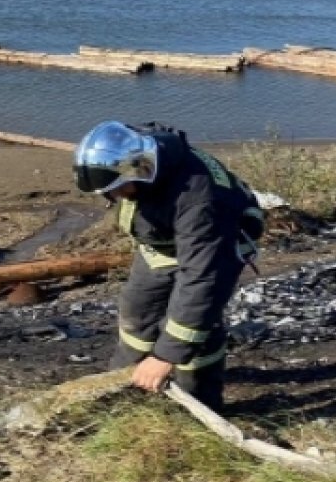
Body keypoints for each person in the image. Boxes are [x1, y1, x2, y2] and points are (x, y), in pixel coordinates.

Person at [72, 121, 264, 410]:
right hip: (162, 247)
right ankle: (125, 384)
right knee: (137, 312)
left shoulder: (199, 202)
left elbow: (203, 281)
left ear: (138, 169)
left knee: (197, 327)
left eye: (118, 189)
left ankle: (198, 403)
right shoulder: (145, 149)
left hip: (215, 250)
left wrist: (165, 356)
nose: (116, 197)